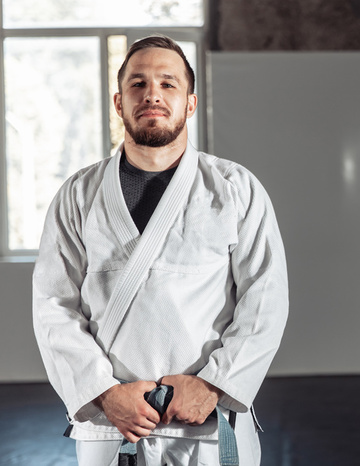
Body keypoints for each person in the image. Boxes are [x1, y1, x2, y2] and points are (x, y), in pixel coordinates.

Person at [32, 35, 289, 465]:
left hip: (207, 418)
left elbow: (266, 299)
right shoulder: (78, 195)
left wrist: (213, 385)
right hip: (111, 420)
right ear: (118, 102)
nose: (152, 93)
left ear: (190, 103)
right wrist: (103, 392)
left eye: (168, 83)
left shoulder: (234, 188)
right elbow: (53, 306)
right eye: (138, 83)